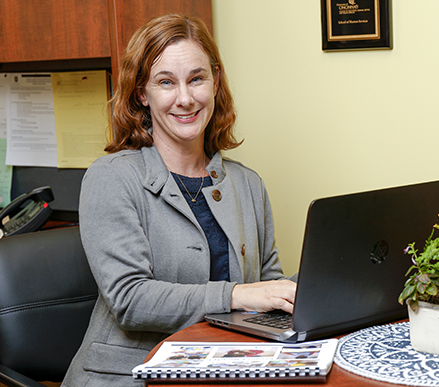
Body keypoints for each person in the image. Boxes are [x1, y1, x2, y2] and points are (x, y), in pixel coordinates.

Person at [62, 14, 296, 386]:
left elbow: (265, 290)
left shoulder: (248, 184)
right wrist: (237, 294)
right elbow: (130, 299)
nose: (185, 98)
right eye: (166, 82)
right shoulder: (112, 178)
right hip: (133, 376)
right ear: (142, 93)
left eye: (197, 79)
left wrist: (296, 298)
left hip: (224, 370)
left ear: (215, 82)